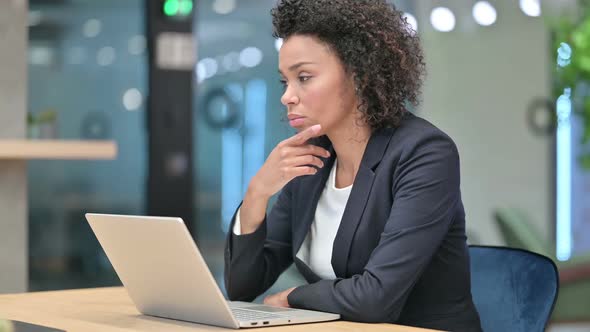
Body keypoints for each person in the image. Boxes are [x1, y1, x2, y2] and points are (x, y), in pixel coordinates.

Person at [224, 0, 482, 331]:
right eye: (284, 82)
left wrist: (293, 298)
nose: (287, 96)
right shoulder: (312, 160)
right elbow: (242, 287)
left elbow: (375, 298)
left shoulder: (424, 154)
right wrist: (257, 192)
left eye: (304, 77)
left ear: (359, 73)